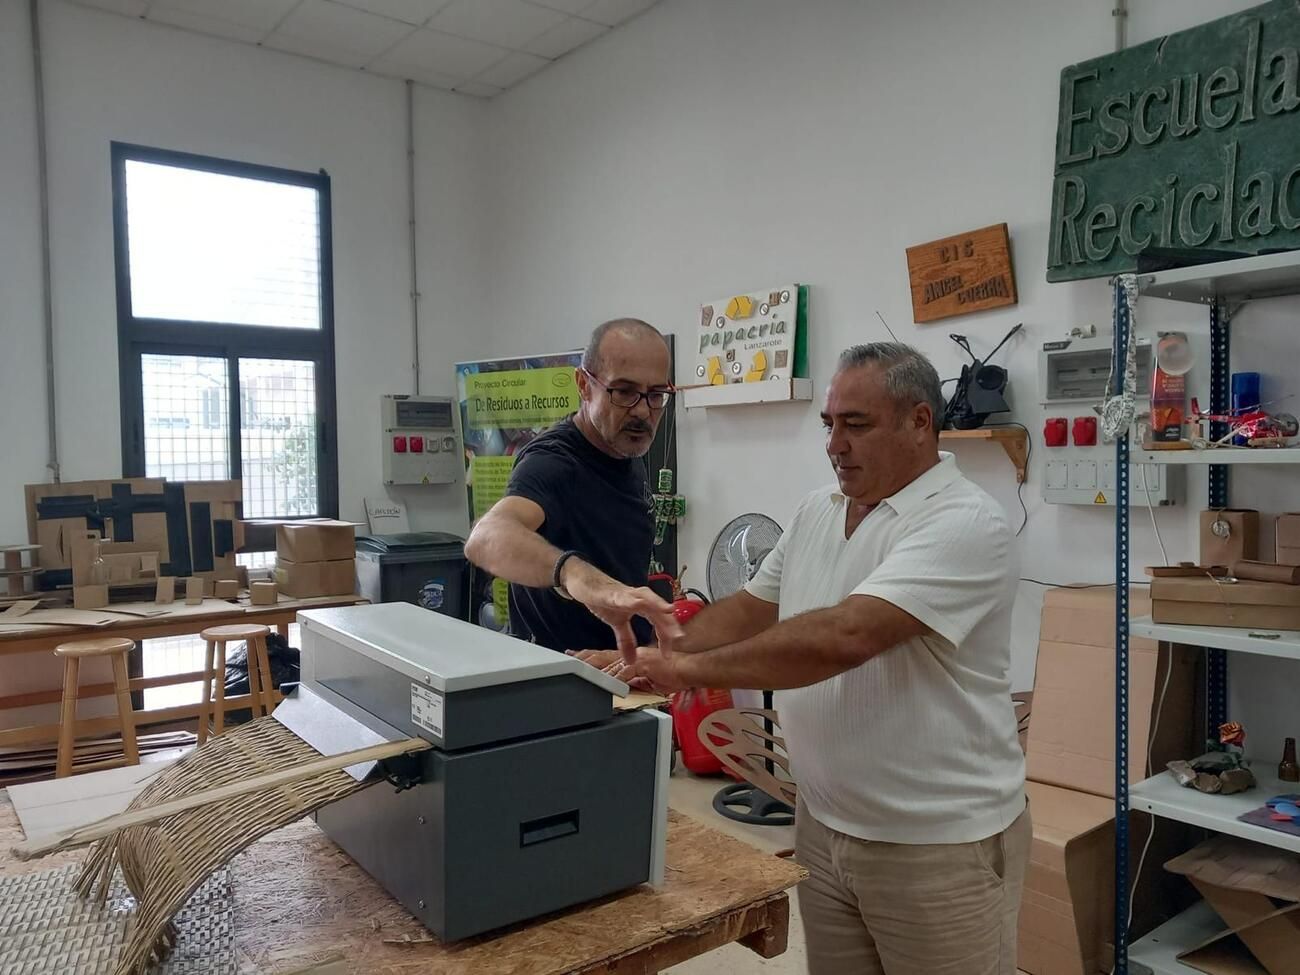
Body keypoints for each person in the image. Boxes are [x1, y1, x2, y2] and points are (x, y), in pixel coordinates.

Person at [624, 342, 1029, 975]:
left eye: (856, 425)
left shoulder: (966, 522)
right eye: (829, 424)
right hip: (821, 821)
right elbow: (751, 607)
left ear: (920, 422)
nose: (834, 444)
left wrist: (686, 672)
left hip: (934, 843)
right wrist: (649, 650)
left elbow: (845, 636)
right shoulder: (820, 509)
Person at [464, 318, 681, 663]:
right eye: (624, 391)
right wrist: (575, 573)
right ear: (584, 384)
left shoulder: (625, 450)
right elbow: (486, 537)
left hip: (624, 673)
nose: (642, 410)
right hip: (560, 684)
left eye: (655, 395)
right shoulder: (553, 462)